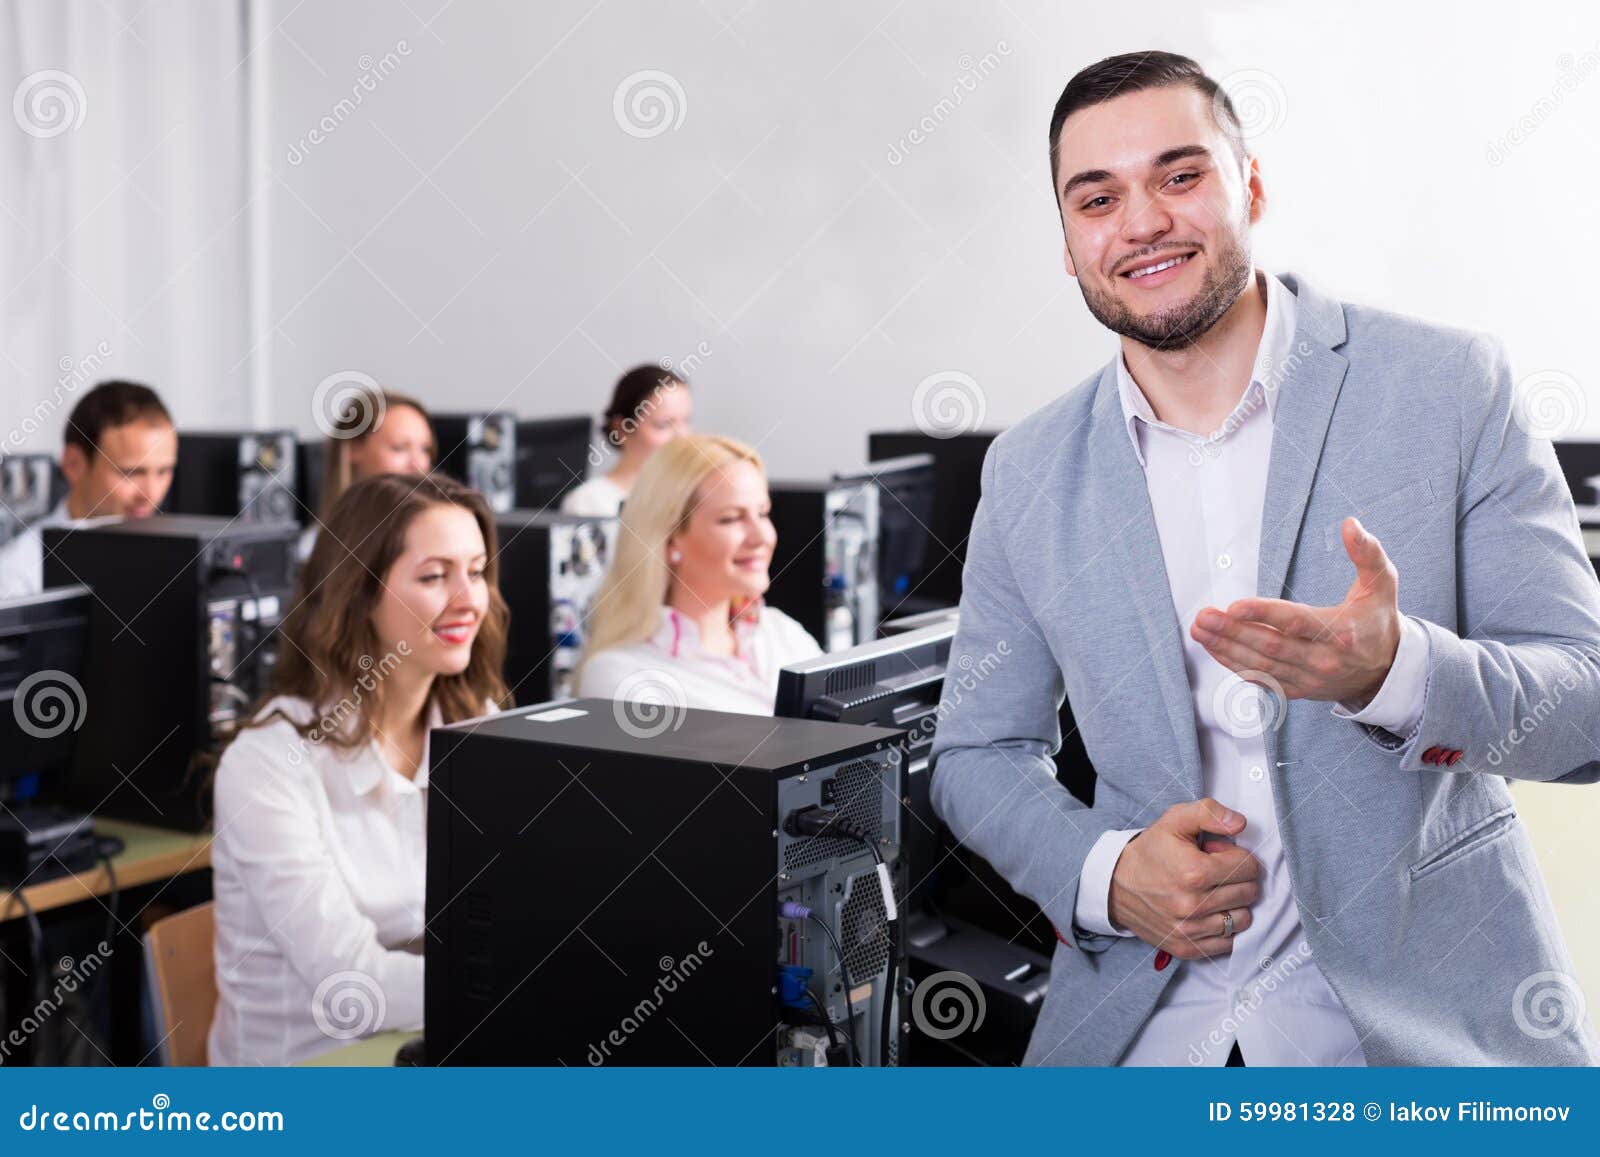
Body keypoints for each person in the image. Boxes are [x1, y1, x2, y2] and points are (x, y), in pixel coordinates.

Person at [929, 51, 1600, 1068]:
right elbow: (974, 754)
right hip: (1138, 1033)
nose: (1142, 220)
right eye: (1096, 197)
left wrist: (1396, 675)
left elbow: (1584, 702)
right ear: (1068, 244)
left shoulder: (1448, 386)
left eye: (1179, 174)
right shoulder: (1028, 469)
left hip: (1417, 1035)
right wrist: (1106, 873)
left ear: (1249, 182)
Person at [208, 472, 509, 1066]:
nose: (469, 600)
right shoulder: (269, 763)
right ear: (361, 593)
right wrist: (518, 984)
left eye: (476, 572)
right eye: (433, 576)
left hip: (427, 1049)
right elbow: (352, 984)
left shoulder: (478, 725)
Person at [575, 433, 820, 714]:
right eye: (731, 518)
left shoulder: (783, 634)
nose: (761, 536)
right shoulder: (621, 676)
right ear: (670, 539)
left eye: (763, 514)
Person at [0, 381, 176, 598]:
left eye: (163, 472)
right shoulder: (19, 576)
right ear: (74, 464)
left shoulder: (175, 561)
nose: (150, 494)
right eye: (131, 473)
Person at [299, 387, 435, 560]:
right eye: (399, 448)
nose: (418, 465)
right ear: (354, 448)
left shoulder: (437, 537)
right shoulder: (313, 549)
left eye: (425, 449)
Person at [561, 364, 692, 517]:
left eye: (686, 421)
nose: (682, 436)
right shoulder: (587, 503)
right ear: (623, 428)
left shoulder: (692, 495)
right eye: (663, 425)